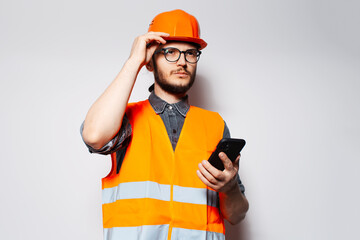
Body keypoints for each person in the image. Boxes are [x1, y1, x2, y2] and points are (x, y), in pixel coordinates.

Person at [81, 9, 249, 240]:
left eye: (190, 53)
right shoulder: (123, 118)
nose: (182, 61)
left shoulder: (215, 124)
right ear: (150, 62)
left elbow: (237, 215)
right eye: (170, 52)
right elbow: (93, 135)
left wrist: (229, 188)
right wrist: (134, 62)